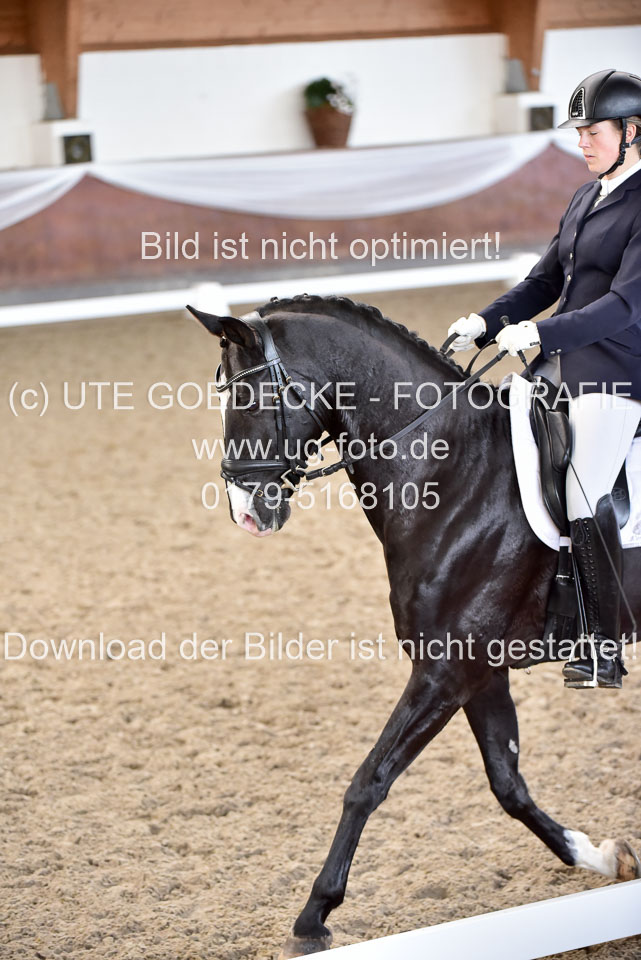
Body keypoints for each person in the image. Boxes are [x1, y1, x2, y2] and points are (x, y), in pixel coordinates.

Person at [448, 69, 641, 689]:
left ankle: (603, 646)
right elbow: (544, 282)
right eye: (578, 131)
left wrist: (541, 334)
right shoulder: (587, 197)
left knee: (585, 491)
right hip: (559, 365)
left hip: (619, 372)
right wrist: (486, 321)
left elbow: (624, 305)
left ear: (632, 131)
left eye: (593, 131)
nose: (581, 141)